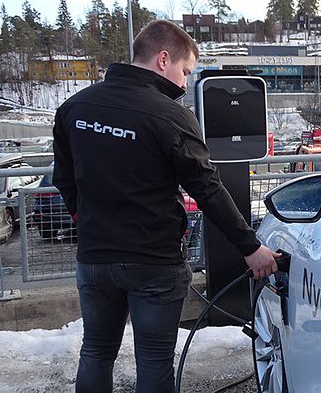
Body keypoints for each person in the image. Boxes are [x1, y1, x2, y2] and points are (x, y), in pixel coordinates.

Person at [52, 19, 280, 392]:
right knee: (154, 361)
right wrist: (250, 248)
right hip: (153, 262)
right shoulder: (170, 115)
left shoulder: (74, 108)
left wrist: (91, 223)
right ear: (163, 59)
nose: (185, 82)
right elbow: (207, 189)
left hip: (95, 259)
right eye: (186, 71)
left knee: (95, 352)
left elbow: (65, 180)